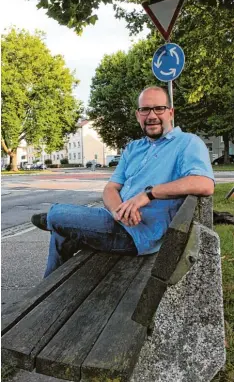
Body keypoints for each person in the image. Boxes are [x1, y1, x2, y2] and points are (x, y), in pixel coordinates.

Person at [31, 86, 214, 278]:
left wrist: (148, 194)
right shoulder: (134, 147)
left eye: (158, 108)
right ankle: (48, 293)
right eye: (145, 110)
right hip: (115, 221)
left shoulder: (187, 143)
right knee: (61, 234)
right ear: (138, 115)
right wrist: (119, 211)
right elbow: (111, 188)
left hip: (138, 234)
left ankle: (52, 218)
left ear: (170, 112)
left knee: (59, 214)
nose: (151, 115)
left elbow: (204, 183)